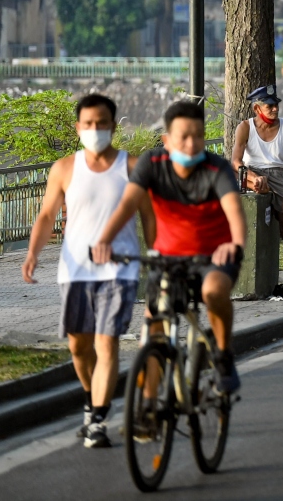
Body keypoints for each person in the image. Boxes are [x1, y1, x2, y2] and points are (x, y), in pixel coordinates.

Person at [23, 94, 152, 448]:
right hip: (75, 269)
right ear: (79, 127)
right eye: (88, 124)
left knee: (107, 342)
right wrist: (33, 253)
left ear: (113, 125)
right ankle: (89, 399)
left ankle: (97, 419)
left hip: (120, 269)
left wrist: (156, 257)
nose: (95, 130)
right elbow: (48, 215)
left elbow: (149, 217)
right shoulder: (64, 168)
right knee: (79, 348)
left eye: (102, 123)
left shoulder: (132, 167)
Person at [94, 100, 248, 394]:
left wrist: (235, 245)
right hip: (168, 259)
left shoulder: (217, 169)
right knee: (153, 332)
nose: (191, 144)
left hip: (214, 256)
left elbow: (235, 214)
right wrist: (103, 240)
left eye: (198, 136)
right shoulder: (151, 164)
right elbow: (128, 204)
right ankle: (148, 408)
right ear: (166, 140)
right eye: (183, 137)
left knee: (213, 291)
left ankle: (224, 354)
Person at [231, 85, 283, 299]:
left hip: (280, 175)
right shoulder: (245, 127)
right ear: (256, 108)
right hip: (255, 172)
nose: (274, 110)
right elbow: (235, 161)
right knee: (252, 213)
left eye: (276, 105)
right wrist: (252, 177)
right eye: (269, 106)